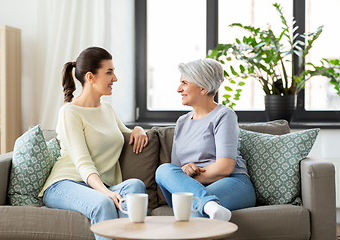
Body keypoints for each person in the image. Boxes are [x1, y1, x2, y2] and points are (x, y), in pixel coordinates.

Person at [39, 47, 148, 240]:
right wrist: (106, 192)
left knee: (135, 187)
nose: (115, 78)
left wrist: (139, 129)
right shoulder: (69, 112)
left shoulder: (107, 109)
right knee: (103, 203)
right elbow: (83, 163)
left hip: (98, 185)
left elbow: (125, 133)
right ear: (90, 77)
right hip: (65, 184)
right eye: (109, 72)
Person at [155, 58, 256, 221]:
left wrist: (188, 180)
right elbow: (175, 170)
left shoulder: (224, 115)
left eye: (184, 83)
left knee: (193, 212)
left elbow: (225, 167)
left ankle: (205, 205)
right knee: (163, 170)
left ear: (202, 88)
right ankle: (209, 205)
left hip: (232, 183)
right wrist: (185, 172)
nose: (178, 89)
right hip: (190, 187)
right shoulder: (181, 122)